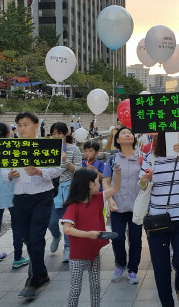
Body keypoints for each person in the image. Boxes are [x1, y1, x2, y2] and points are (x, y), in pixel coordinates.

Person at [4, 112, 62, 300]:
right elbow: (2, 169)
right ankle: (42, 273)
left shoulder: (46, 146)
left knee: (36, 236)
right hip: (19, 198)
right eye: (18, 125)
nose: (21, 128)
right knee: (28, 238)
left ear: (36, 125)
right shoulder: (11, 147)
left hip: (42, 197)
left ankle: (33, 280)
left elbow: (56, 169)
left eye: (26, 124)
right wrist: (8, 175)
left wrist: (38, 171)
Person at [139, 132, 179, 307]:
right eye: (172, 135)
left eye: (178, 135)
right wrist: (145, 180)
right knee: (161, 268)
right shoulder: (150, 157)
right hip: (157, 219)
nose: (176, 138)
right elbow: (141, 184)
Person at [62, 167, 123, 307]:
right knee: (75, 289)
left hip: (94, 253)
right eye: (97, 181)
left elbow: (116, 188)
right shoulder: (73, 206)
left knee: (96, 286)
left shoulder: (98, 198)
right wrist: (89, 234)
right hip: (77, 256)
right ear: (90, 184)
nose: (99, 183)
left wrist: (118, 173)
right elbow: (67, 229)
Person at [0, 123, 29, 281]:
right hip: (13, 194)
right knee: (17, 227)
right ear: (9, 134)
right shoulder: (13, 150)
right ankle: (17, 258)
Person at [102, 127, 143, 284]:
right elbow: (106, 181)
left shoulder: (142, 157)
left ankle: (133, 270)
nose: (128, 135)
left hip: (136, 206)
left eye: (130, 133)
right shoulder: (112, 158)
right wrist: (109, 198)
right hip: (117, 205)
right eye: (123, 133)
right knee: (117, 238)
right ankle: (120, 264)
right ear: (117, 140)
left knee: (135, 239)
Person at [49, 122, 82, 263]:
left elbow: (80, 171)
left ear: (66, 133)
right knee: (51, 221)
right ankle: (56, 236)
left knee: (67, 221)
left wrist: (66, 160)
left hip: (68, 189)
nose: (56, 136)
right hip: (53, 190)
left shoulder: (74, 149)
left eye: (59, 133)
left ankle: (68, 247)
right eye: (54, 133)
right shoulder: (48, 149)